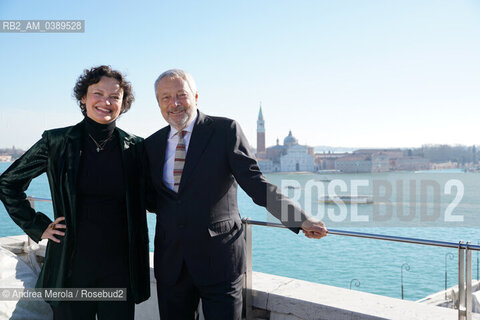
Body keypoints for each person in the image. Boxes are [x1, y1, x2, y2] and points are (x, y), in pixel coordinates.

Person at [144, 69, 328, 320]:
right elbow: (150, 198)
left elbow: (255, 183)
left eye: (181, 95)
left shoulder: (225, 130)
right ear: (158, 104)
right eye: (165, 98)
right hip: (172, 265)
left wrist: (299, 219)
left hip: (219, 261)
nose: (174, 104)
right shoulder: (150, 145)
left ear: (195, 97)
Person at [0, 65, 150, 319]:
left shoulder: (136, 147)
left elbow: (157, 195)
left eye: (115, 96)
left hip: (120, 269)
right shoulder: (57, 142)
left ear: (123, 104)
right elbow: (8, 183)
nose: (106, 101)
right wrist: (38, 225)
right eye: (98, 93)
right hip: (71, 267)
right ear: (83, 97)